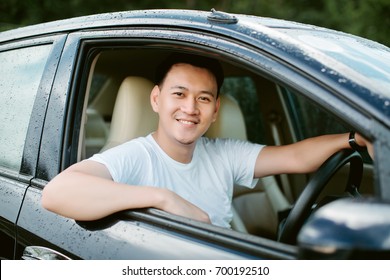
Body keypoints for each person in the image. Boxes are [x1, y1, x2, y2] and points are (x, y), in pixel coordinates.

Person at [41, 53, 373, 228]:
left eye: (203, 99)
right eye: (179, 94)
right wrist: (162, 198)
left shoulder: (223, 154)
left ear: (215, 111)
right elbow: (56, 193)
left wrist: (353, 139)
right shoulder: (135, 155)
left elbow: (296, 158)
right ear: (156, 99)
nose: (190, 108)